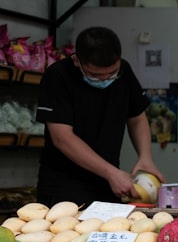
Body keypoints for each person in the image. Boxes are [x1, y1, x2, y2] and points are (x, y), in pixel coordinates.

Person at [35, 26, 164, 206]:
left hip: (108, 185)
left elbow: (137, 117)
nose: (105, 79)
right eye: (96, 75)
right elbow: (62, 138)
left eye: (112, 74)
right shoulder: (58, 76)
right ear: (77, 61)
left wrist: (145, 157)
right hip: (64, 187)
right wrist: (112, 173)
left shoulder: (124, 71)